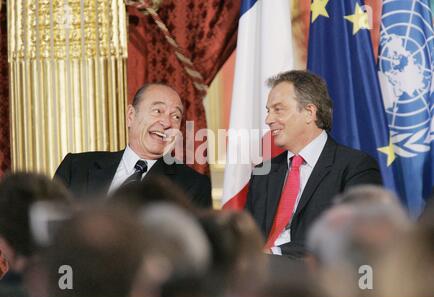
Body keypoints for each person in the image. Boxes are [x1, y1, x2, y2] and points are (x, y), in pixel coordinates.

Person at [245, 70, 382, 258]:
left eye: (278, 109)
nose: (268, 120)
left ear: (309, 112)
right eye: (268, 111)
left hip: (317, 281)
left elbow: (352, 237)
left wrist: (273, 253)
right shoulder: (263, 172)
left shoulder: (356, 167)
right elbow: (248, 239)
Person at [54, 83, 212, 207]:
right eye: (157, 111)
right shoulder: (75, 168)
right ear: (131, 116)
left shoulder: (192, 187)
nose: (167, 122)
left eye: (176, 116)